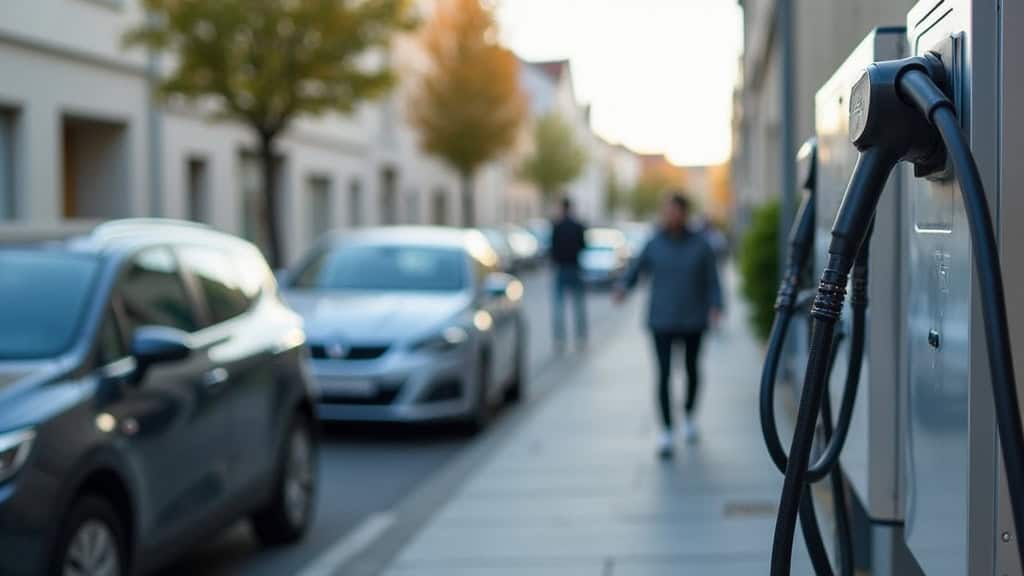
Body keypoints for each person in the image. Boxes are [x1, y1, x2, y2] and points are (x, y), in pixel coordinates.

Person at [615, 193, 723, 459]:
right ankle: (666, 430)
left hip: (693, 319)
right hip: (661, 320)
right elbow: (637, 270)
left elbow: (712, 279)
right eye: (667, 211)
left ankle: (688, 416)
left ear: (684, 214)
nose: (671, 216)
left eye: (675, 212)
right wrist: (623, 288)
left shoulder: (700, 245)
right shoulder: (654, 243)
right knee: (662, 375)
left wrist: (717, 305)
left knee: (691, 370)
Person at [550, 196, 588, 351]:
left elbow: (552, 248)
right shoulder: (578, 225)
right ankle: (580, 337)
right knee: (578, 305)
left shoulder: (557, 226)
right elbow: (583, 245)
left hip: (561, 268)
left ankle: (560, 339)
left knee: (559, 306)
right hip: (575, 267)